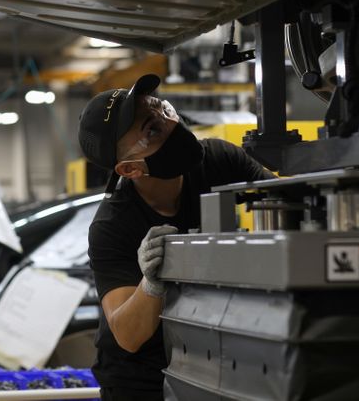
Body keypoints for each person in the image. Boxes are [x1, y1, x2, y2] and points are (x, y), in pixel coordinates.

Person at [77, 73, 274, 400]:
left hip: (209, 357)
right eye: (152, 129)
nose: (171, 124)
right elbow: (128, 336)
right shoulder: (113, 225)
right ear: (130, 169)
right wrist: (151, 283)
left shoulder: (219, 161)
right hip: (141, 379)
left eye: (163, 109)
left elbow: (284, 200)